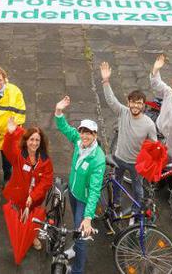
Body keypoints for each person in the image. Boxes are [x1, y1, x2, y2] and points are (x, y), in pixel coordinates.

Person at [53, 95, 104, 274]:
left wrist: (88, 217)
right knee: (76, 228)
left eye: (89, 133)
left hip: (83, 199)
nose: (84, 136)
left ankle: (77, 270)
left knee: (81, 235)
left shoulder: (98, 159)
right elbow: (64, 128)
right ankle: (74, 248)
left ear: (95, 135)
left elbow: (95, 191)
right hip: (73, 193)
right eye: (82, 132)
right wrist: (59, 111)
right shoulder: (78, 142)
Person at [99, 61, 155, 217]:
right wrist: (106, 81)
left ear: (143, 105)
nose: (135, 106)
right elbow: (111, 100)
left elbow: (153, 145)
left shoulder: (149, 124)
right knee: (116, 182)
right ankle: (116, 203)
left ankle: (137, 211)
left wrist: (148, 163)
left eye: (139, 103)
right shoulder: (123, 112)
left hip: (136, 164)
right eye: (133, 102)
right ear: (128, 102)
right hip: (119, 158)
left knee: (138, 188)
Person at [1, 115, 54, 253]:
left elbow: (47, 181)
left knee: (33, 219)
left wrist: (33, 196)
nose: (34, 143)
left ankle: (32, 237)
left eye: (37, 140)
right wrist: (10, 134)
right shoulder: (18, 155)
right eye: (31, 139)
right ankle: (21, 234)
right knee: (19, 217)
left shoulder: (45, 161)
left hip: (35, 200)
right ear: (26, 141)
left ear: (41, 142)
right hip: (18, 196)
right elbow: (6, 149)